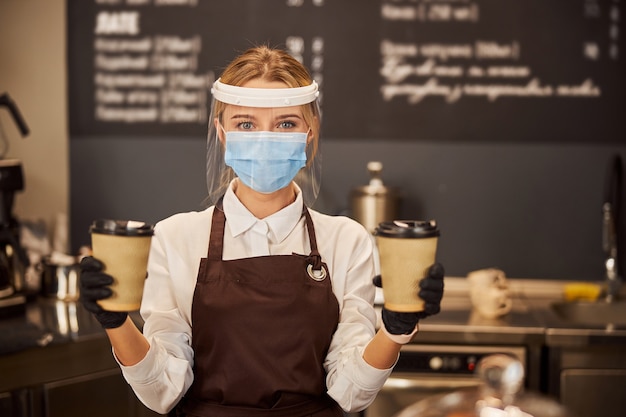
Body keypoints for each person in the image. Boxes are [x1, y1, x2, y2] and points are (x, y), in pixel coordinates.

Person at [79, 45, 444, 417]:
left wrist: (395, 331)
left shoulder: (347, 241)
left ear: (310, 131)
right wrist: (115, 321)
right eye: (246, 124)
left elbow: (351, 391)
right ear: (222, 133)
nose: (265, 138)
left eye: (286, 124)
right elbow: (162, 390)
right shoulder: (175, 238)